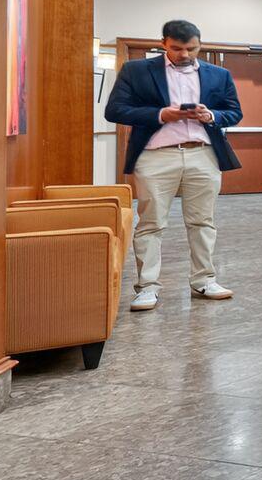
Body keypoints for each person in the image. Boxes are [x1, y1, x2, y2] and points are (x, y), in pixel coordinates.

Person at [104, 19, 243, 310]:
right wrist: (160, 114)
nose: (184, 54)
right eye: (177, 48)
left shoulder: (219, 74)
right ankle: (147, 288)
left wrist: (211, 117)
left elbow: (234, 112)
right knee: (152, 222)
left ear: (199, 44)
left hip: (203, 155)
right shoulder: (136, 70)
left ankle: (204, 280)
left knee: (203, 221)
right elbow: (115, 110)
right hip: (156, 156)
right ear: (164, 43)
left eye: (191, 49)